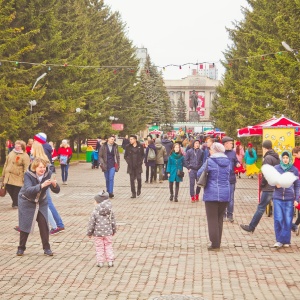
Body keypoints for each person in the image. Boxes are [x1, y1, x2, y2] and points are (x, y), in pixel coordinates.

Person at [16, 157, 60, 256]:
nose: (42, 169)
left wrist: (54, 185)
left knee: (44, 224)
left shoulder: (49, 173)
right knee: (25, 224)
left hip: (41, 202)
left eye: (44, 167)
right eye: (40, 167)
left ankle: (47, 248)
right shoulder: (28, 174)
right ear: (35, 167)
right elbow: (28, 190)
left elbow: (57, 190)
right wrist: (41, 185)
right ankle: (21, 248)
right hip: (26, 201)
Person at [240, 140, 280, 233]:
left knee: (261, 208)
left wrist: (262, 185)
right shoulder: (277, 158)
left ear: (264, 148)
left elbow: (266, 174)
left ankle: (251, 227)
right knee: (279, 209)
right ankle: (292, 226)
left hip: (268, 187)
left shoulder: (267, 158)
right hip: (275, 187)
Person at [197, 142, 231, 251]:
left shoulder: (210, 161)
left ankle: (214, 244)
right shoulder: (228, 162)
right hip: (225, 193)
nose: (209, 151)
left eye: (211, 149)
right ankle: (218, 242)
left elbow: (199, 173)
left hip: (211, 193)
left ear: (215, 150)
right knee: (219, 218)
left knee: (212, 219)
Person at [33, 133, 65, 233]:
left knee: (47, 203)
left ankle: (58, 225)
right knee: (42, 203)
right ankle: (58, 225)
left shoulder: (43, 148)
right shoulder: (44, 147)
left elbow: (43, 168)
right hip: (43, 181)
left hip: (43, 181)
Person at [272, 151, 300, 248]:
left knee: (288, 220)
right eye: (283, 157)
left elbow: (297, 185)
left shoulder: (294, 170)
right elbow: (270, 182)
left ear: (290, 159)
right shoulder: (276, 168)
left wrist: (297, 198)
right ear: (281, 158)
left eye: (287, 158)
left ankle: (286, 240)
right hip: (277, 197)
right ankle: (279, 240)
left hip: (289, 198)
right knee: (278, 219)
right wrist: (275, 184)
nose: (285, 159)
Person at [87, 191, 116, 267]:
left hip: (98, 234)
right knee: (108, 246)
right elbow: (113, 221)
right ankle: (110, 261)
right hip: (108, 233)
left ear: (98, 202)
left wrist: (89, 233)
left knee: (99, 247)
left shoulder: (95, 211)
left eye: (95, 201)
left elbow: (91, 224)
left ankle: (100, 262)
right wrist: (113, 230)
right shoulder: (110, 211)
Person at [2, 140, 30, 208]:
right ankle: (16, 202)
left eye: (19, 146)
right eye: (16, 145)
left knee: (16, 191)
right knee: (8, 188)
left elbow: (26, 167)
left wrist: (25, 177)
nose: (17, 147)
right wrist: (3, 173)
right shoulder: (11, 152)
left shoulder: (25, 155)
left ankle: (16, 203)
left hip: (18, 176)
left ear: (22, 147)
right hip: (8, 176)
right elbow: (6, 163)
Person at [222, 136, 240, 222]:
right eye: (231, 143)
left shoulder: (233, 153)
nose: (232, 145)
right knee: (223, 198)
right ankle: (223, 214)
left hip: (232, 178)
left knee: (231, 198)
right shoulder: (221, 153)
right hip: (223, 179)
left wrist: (237, 164)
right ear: (225, 144)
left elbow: (236, 160)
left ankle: (230, 215)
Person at [291, 146, 300, 234]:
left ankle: (295, 224)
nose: (295, 156)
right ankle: (295, 225)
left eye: (296, 154)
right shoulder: (296, 162)